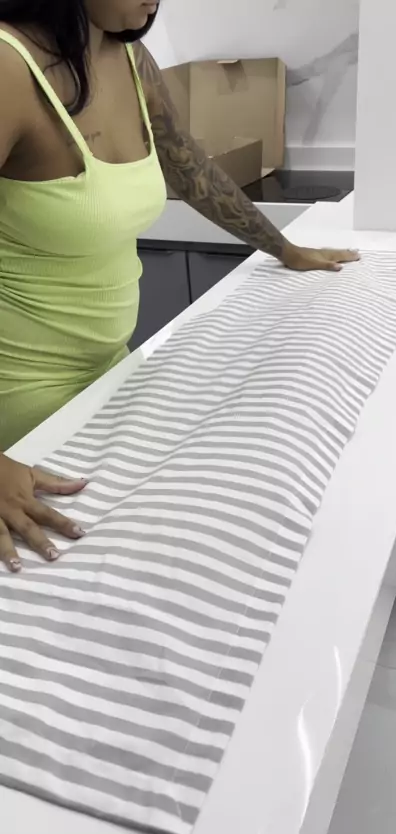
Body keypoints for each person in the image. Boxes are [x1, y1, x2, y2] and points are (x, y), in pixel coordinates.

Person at [0, 0, 358, 572]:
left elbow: (187, 165)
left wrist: (282, 247)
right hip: (17, 407)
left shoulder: (128, 57)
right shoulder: (8, 67)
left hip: (107, 377)